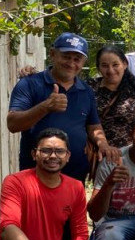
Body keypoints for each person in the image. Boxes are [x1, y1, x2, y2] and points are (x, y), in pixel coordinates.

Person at [7, 33, 120, 182]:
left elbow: (93, 126)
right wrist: (46, 107)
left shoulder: (86, 91)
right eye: (66, 56)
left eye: (77, 59)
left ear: (83, 62)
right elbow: (13, 124)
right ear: (53, 54)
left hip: (75, 175)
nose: (71, 63)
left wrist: (103, 144)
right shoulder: (30, 84)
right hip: (36, 174)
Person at [87, 45, 135, 149]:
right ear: (99, 67)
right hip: (99, 154)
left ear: (124, 64)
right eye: (105, 66)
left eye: (115, 65)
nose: (111, 70)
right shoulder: (89, 88)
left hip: (131, 155)